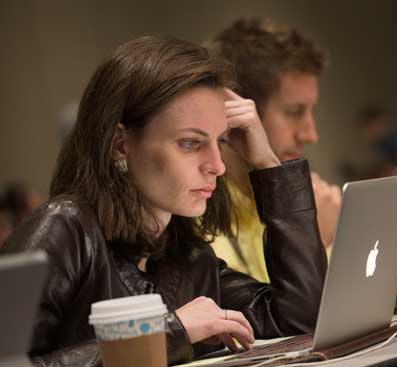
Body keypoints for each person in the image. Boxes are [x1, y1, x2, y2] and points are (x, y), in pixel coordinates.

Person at [1, 36, 327, 366]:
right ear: (120, 145)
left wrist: (267, 164)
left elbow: (301, 321)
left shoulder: (189, 256)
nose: (218, 165)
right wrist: (170, 332)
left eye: (221, 141)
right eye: (190, 143)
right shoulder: (63, 229)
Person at [204, 18, 340, 282]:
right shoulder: (194, 218)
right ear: (237, 110)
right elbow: (277, 320)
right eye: (293, 112)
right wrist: (309, 242)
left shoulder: (311, 203)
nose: (311, 135)